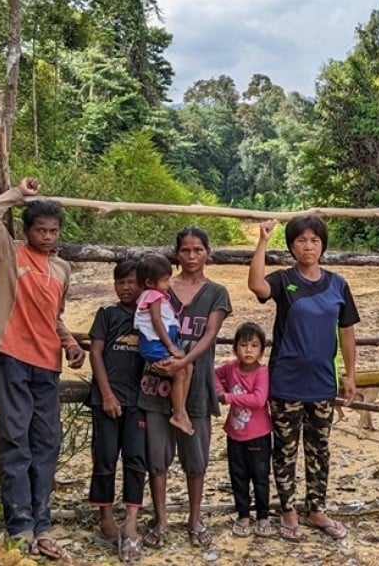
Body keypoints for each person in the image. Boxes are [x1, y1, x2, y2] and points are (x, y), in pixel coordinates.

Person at [0, 177, 85, 560]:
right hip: (12, 356)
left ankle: (42, 525)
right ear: (26, 231)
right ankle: (19, 526)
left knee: (46, 444)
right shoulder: (12, 255)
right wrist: (20, 195)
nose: (48, 236)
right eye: (40, 230)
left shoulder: (61, 269)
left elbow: (55, 316)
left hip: (47, 364)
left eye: (53, 231)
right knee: (15, 440)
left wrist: (70, 343)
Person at [247, 216, 358, 542]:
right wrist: (263, 240)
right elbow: (257, 286)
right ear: (292, 246)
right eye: (301, 240)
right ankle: (288, 510)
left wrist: (350, 374)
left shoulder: (338, 284)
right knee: (284, 449)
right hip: (286, 382)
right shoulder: (285, 281)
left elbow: (347, 331)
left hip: (323, 383)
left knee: (319, 448)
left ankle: (316, 508)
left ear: (322, 245)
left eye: (314, 240)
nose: (308, 246)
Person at [139, 227, 232, 550]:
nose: (191, 257)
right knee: (157, 457)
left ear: (208, 252)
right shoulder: (159, 289)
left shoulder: (217, 292)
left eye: (198, 250)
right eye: (185, 250)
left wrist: (183, 361)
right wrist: (160, 362)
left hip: (198, 382)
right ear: (176, 253)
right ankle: (161, 518)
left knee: (196, 458)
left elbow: (210, 335)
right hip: (155, 382)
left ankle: (195, 518)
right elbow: (144, 326)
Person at [87, 260, 145, 562]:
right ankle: (106, 516)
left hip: (138, 402)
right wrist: (107, 394)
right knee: (106, 456)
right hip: (106, 400)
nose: (126, 287)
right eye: (121, 282)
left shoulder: (149, 316)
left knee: (136, 459)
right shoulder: (107, 315)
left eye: (133, 282)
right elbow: (95, 352)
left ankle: (132, 521)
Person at [214, 322, 275, 539]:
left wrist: (229, 397)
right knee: (238, 475)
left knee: (260, 476)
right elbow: (213, 374)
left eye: (254, 345)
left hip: (258, 434)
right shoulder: (230, 368)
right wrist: (220, 390)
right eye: (243, 345)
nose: (248, 350)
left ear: (261, 350)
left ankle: (263, 515)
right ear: (235, 347)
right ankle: (242, 515)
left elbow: (258, 400)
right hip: (235, 433)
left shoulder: (262, 372)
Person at [135, 254, 194, 436]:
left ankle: (180, 410)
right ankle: (178, 413)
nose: (169, 284)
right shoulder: (153, 296)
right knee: (180, 371)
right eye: (165, 280)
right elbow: (157, 322)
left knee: (187, 366)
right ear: (150, 282)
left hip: (158, 343)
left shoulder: (156, 295)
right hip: (156, 345)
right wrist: (170, 346)